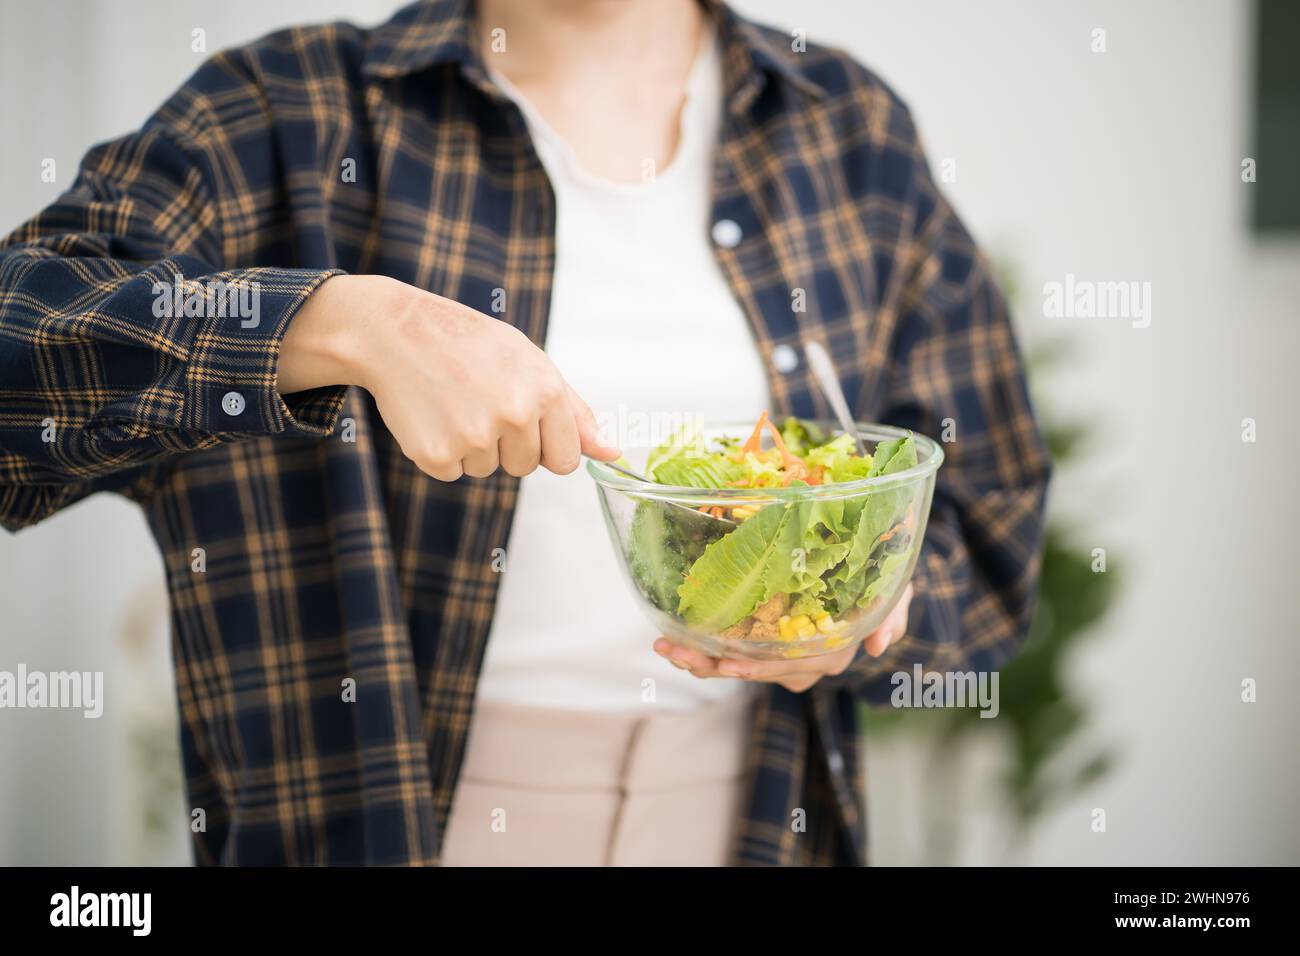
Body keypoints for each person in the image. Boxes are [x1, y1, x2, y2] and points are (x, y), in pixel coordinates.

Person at [0, 0, 1050, 866]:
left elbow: (985, 523)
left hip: (753, 819)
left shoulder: (848, 130)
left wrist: (867, 591)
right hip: (382, 829)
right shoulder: (282, 115)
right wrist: (333, 323)